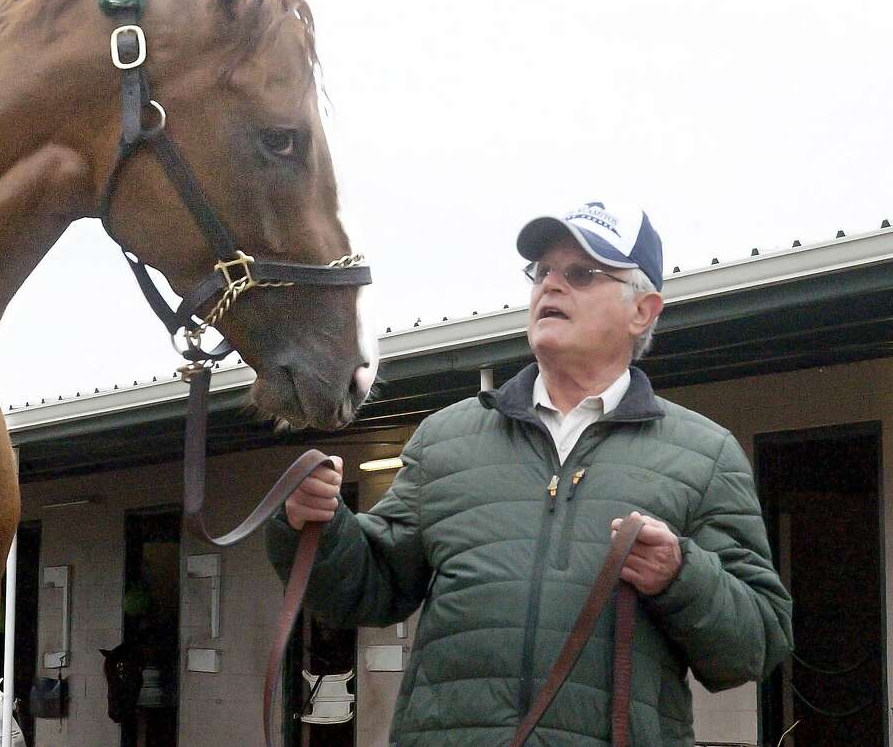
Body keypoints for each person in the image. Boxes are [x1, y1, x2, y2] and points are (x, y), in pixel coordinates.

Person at [267, 201, 792, 746]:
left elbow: (755, 646)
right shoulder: (446, 438)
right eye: (542, 272)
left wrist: (680, 575)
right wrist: (316, 527)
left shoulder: (705, 455)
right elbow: (367, 591)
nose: (551, 286)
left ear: (644, 310)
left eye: (581, 274)